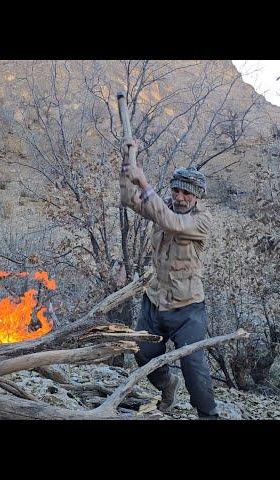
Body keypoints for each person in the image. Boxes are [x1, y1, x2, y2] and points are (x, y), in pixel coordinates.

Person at [119, 140, 219, 419]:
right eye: (176, 190)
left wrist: (144, 182)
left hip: (187, 308)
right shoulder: (162, 206)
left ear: (197, 196)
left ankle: (208, 415)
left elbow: (171, 223)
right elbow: (129, 199)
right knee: (143, 351)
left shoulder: (202, 221)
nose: (180, 197)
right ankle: (166, 385)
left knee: (193, 365)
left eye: (187, 193)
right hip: (155, 301)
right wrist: (128, 164)